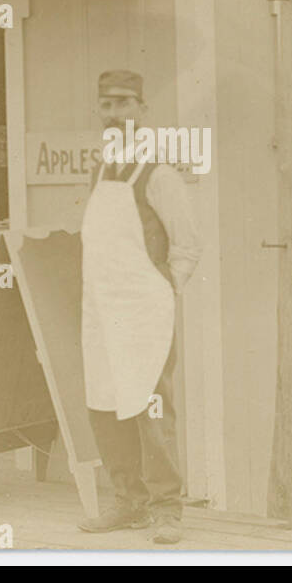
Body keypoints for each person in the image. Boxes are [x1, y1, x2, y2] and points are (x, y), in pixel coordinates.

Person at [77, 70, 202, 544]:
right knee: (105, 403)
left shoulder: (159, 174)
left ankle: (167, 509)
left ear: (143, 110)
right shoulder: (99, 172)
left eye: (124, 103)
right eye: (107, 105)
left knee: (151, 407)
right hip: (101, 309)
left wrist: (164, 290)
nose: (114, 113)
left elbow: (187, 245)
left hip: (145, 310)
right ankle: (128, 502)